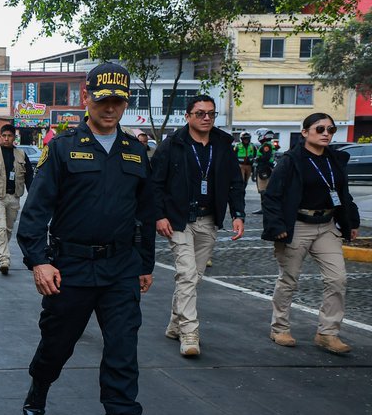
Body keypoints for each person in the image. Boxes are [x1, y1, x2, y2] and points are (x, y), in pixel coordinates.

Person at [16, 61, 158, 415]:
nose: (110, 108)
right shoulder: (62, 148)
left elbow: (145, 214)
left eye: (118, 101)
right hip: (71, 269)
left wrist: (145, 265)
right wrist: (39, 260)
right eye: (102, 100)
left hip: (119, 270)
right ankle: (40, 387)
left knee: (122, 351)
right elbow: (35, 211)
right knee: (57, 343)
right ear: (86, 99)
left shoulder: (136, 151)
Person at [150, 95, 245, 357]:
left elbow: (235, 182)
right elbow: (154, 183)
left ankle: (174, 323)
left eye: (211, 114)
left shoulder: (223, 144)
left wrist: (238, 214)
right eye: (201, 113)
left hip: (209, 219)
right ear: (188, 116)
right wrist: (159, 215)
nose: (206, 118)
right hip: (179, 220)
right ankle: (190, 333)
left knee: (194, 277)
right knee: (188, 274)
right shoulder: (172, 145)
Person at [261, 112, 360, 354]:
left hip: (327, 225)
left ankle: (328, 333)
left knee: (338, 279)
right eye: (320, 129)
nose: (326, 133)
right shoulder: (291, 161)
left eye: (331, 130)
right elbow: (272, 196)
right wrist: (278, 227)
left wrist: (351, 221)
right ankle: (279, 328)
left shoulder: (335, 160)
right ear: (305, 133)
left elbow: (343, 194)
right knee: (289, 279)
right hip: (298, 225)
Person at [0, 122, 33, 275]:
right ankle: (4, 259)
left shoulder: (21, 155)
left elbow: (29, 177)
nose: (7, 139)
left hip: (14, 197)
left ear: (14, 137)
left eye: (10, 136)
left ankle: (0, 251)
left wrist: (33, 197)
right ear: (0, 137)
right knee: (0, 227)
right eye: (4, 136)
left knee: (8, 229)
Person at [253, 131, 277, 200]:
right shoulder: (269, 144)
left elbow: (266, 157)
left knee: (263, 189)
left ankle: (264, 209)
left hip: (264, 168)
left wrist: (257, 159)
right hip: (266, 167)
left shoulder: (266, 145)